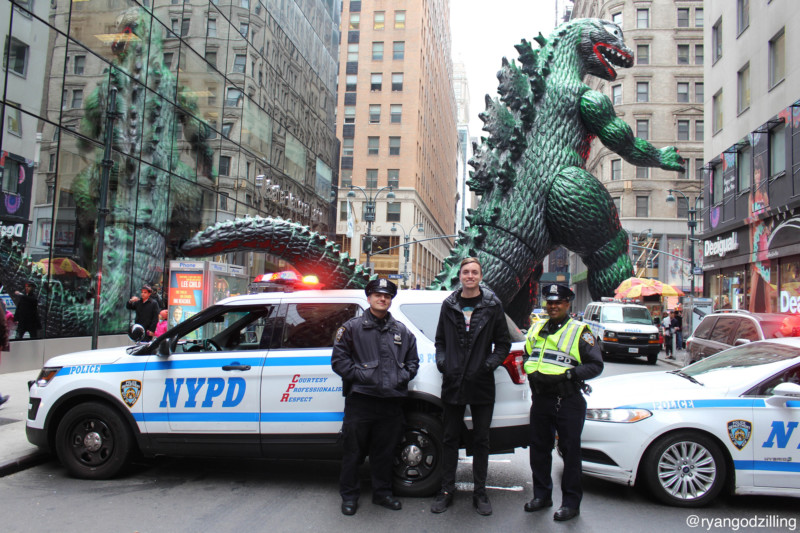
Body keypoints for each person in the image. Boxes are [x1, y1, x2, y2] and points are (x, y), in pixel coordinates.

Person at [430, 257, 511, 516]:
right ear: (460, 275)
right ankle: (446, 490)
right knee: (449, 438)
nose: (470, 276)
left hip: (481, 382)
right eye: (466, 272)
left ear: (481, 276)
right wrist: (443, 363)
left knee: (481, 440)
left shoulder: (492, 305)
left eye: (475, 272)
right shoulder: (449, 304)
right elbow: (440, 341)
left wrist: (488, 365)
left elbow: (503, 344)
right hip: (453, 381)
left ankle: (480, 492)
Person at [331, 278, 419, 516]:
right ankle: (349, 497)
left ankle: (383, 494)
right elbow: (339, 361)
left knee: (385, 452)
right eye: (378, 295)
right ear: (369, 298)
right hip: (361, 400)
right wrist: (363, 377)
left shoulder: (402, 331)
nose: (382, 299)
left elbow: (413, 362)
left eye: (387, 296)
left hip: (391, 401)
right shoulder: (351, 328)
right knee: (353, 452)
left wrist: (401, 377)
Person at [523, 283, 603, 522]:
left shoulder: (580, 331)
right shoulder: (537, 327)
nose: (553, 306)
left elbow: (595, 365)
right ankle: (542, 496)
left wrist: (570, 374)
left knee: (570, 454)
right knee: (539, 451)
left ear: (567, 304)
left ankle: (570, 503)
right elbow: (527, 352)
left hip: (567, 400)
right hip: (541, 399)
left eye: (558, 302)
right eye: (550, 302)